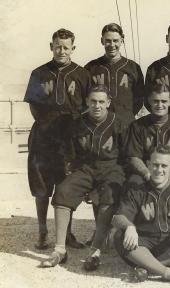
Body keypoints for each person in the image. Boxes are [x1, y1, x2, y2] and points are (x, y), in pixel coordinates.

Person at [40, 85, 127, 270]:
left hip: (111, 169)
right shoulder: (78, 123)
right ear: (87, 101)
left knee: (108, 193)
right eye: (93, 101)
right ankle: (60, 250)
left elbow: (127, 156)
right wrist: (71, 170)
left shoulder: (119, 123)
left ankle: (95, 251)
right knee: (63, 190)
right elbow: (69, 153)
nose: (97, 106)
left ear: (108, 103)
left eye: (101, 102)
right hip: (86, 169)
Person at [24, 28, 90, 250]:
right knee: (42, 187)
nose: (62, 50)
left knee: (66, 187)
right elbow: (34, 106)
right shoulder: (38, 73)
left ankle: (67, 234)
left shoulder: (82, 74)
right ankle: (42, 231)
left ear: (73, 48)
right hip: (44, 138)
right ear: (51, 46)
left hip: (70, 140)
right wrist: (49, 128)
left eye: (66, 46)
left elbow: (87, 108)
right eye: (58, 46)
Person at [112, 145, 170, 284]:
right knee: (120, 235)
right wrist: (129, 227)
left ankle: (146, 266)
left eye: (164, 165)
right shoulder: (137, 191)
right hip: (143, 244)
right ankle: (167, 273)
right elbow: (117, 217)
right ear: (148, 165)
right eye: (155, 165)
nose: (159, 170)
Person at [125, 84, 170, 184]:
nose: (160, 105)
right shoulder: (137, 126)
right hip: (145, 172)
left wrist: (169, 175)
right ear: (149, 101)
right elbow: (133, 156)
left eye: (164, 101)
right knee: (133, 184)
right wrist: (146, 174)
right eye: (156, 101)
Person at [85, 23, 145, 125]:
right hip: (98, 125)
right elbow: (85, 97)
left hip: (126, 124)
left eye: (115, 41)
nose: (112, 45)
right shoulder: (91, 67)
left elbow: (139, 99)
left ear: (122, 40)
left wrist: (125, 115)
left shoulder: (133, 67)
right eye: (108, 41)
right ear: (102, 41)